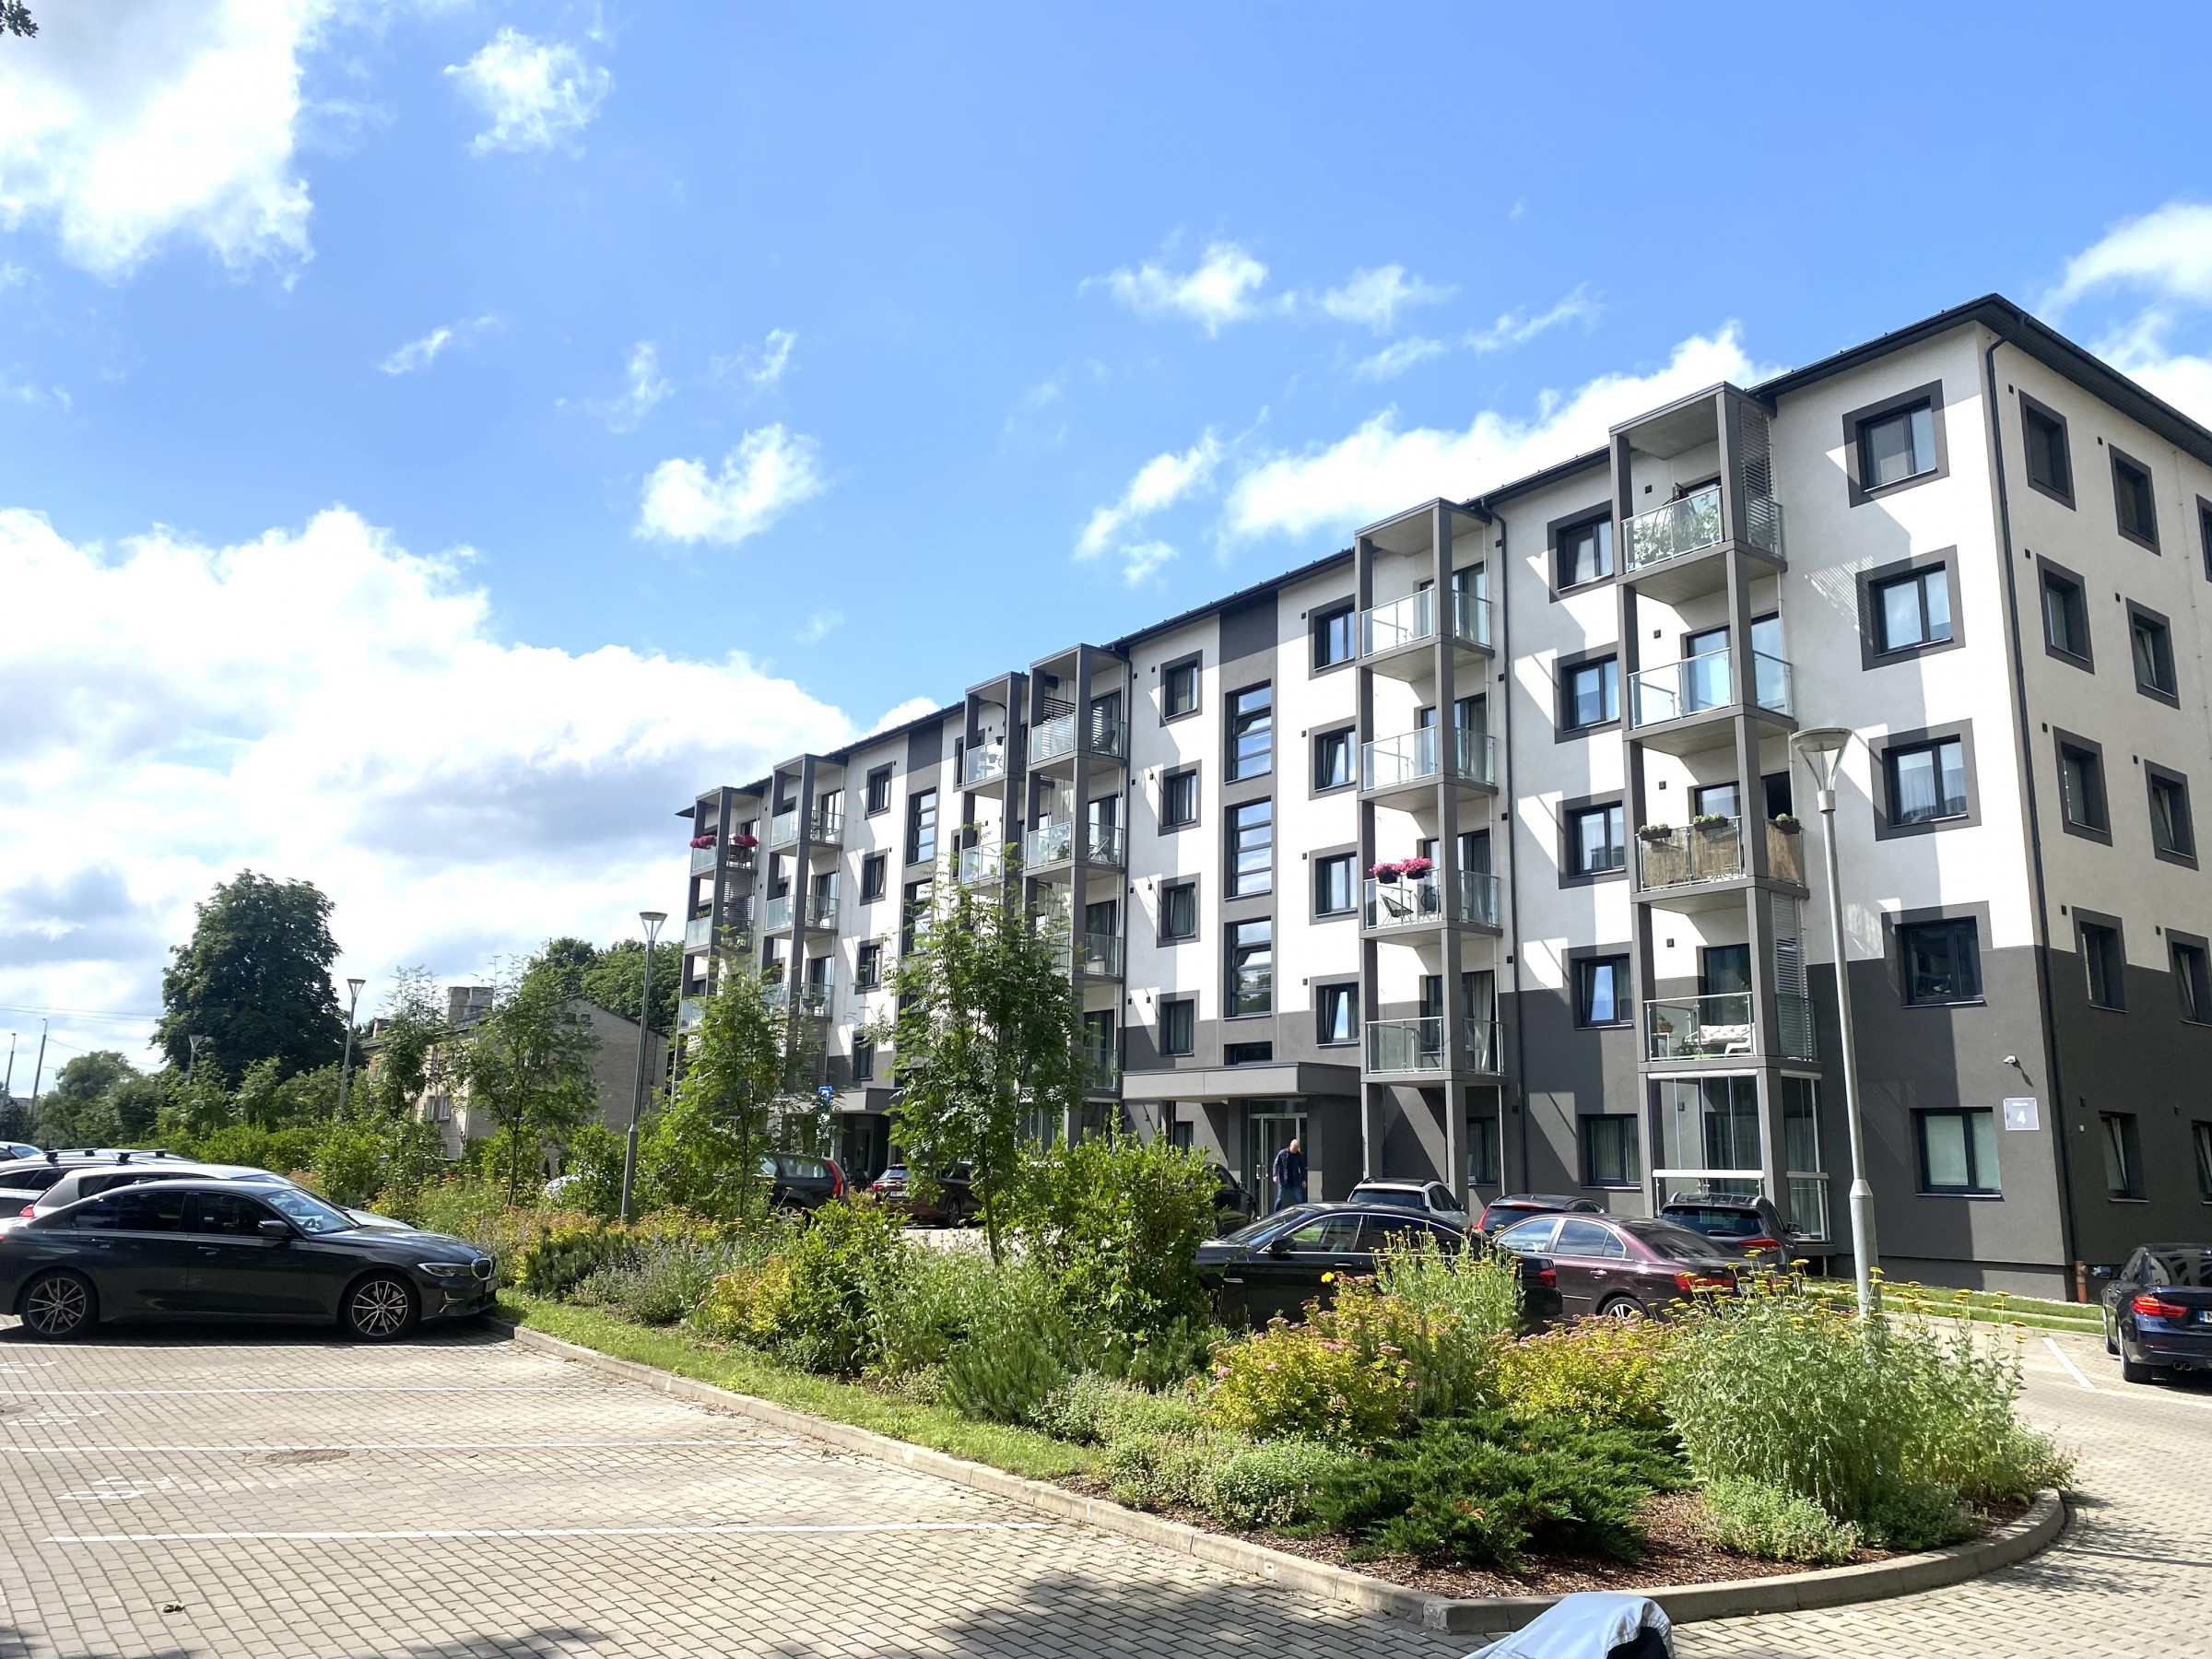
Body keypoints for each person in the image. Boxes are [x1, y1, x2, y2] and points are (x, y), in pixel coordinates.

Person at [1269, 1137, 1308, 1211]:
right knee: (1279, 1198)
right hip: (1283, 1179)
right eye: (1294, 1149)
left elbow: (1302, 1168)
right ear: (1290, 1146)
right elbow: (1276, 1164)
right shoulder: (1282, 1153)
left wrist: (1303, 1180)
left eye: (1297, 1149)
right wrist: (1275, 1175)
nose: (1295, 1151)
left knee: (1298, 1198)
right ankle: (1276, 1213)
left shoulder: (1299, 1156)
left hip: (1294, 1180)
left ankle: (1299, 1212)